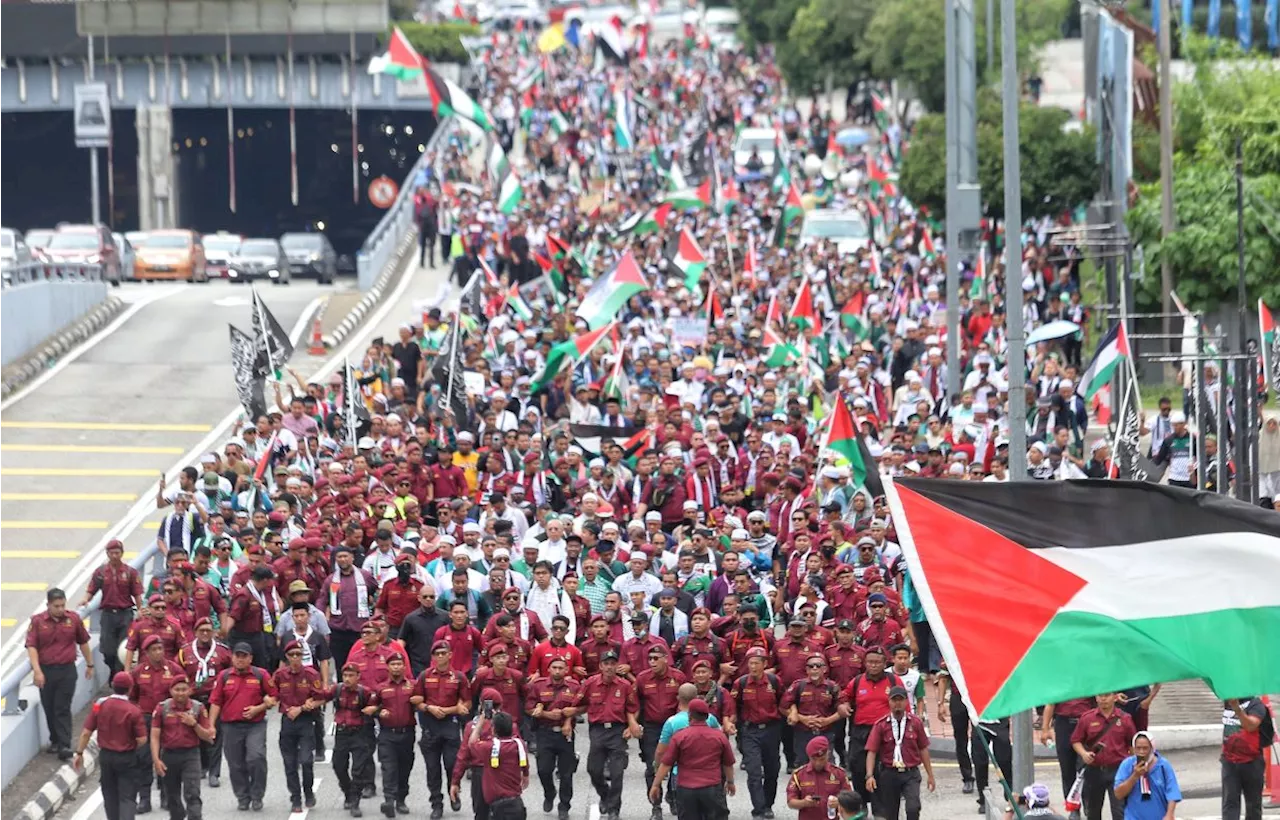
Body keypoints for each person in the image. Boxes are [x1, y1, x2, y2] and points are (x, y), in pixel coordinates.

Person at [209, 642, 278, 812]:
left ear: (250, 658)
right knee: (235, 764)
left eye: (244, 656)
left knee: (256, 757)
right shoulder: (224, 676)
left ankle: (257, 795)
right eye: (237, 656)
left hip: (255, 725)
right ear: (232, 657)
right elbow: (216, 702)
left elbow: (274, 697)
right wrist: (211, 726)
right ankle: (242, 796)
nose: (240, 659)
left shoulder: (260, 674)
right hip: (230, 726)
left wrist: (259, 708)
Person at [26, 587, 93, 761]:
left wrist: (90, 664)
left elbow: (83, 641)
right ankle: (55, 740)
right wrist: (37, 671)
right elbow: (32, 647)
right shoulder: (38, 622)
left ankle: (64, 744)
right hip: (46, 671)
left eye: (63, 605)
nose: (60, 609)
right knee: (49, 707)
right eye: (56, 606)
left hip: (66, 670)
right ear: (48, 605)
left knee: (62, 707)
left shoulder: (73, 619)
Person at [411, 639, 471, 819]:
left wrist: (450, 710)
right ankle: (436, 803)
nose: (441, 657)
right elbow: (416, 700)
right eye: (437, 654)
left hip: (450, 726)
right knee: (432, 769)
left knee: (452, 766)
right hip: (430, 726)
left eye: (444, 653)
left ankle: (454, 794)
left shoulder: (459, 677)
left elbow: (467, 702)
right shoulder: (424, 675)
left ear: (450, 655)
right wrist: (429, 708)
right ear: (433, 657)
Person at [649, 698, 735, 820]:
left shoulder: (680, 736)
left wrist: (655, 785)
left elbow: (666, 763)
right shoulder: (719, 736)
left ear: (690, 715)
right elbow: (728, 763)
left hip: (686, 790)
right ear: (707, 716)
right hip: (712, 788)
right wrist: (730, 782)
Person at [725, 646, 783, 820]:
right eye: (750, 663)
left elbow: (783, 702)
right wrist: (730, 722)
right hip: (750, 731)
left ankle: (768, 805)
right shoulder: (740, 683)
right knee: (754, 771)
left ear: (765, 664)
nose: (753, 667)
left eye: (757, 663)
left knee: (772, 770)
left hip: (771, 730)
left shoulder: (774, 681)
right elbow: (732, 705)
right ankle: (758, 808)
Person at [582, 649, 641, 820]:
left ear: (617, 665)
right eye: (606, 664)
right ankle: (605, 795)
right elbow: (579, 704)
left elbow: (633, 708)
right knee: (593, 770)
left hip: (617, 732)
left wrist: (631, 726)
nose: (609, 667)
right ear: (600, 666)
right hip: (597, 731)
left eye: (613, 663)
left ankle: (614, 809)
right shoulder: (590, 684)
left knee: (617, 773)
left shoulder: (625, 686)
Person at [864, 686, 935, 820]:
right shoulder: (881, 725)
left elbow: (923, 748)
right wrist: (869, 776)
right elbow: (872, 751)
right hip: (889, 773)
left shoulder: (915, 723)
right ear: (889, 702)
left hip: (910, 773)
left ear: (906, 702)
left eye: (901, 700)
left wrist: (930, 775)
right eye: (894, 700)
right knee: (891, 813)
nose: (897, 703)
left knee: (913, 808)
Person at [151, 675, 216, 820]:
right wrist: (156, 760)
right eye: (177, 690)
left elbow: (208, 737)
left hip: (190, 755)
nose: (181, 693)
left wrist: (194, 724)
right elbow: (155, 736)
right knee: (171, 796)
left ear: (190, 691)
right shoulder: (162, 708)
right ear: (171, 691)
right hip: (168, 755)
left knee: (192, 793)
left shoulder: (198, 708)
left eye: (184, 689)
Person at [273, 639, 327, 812]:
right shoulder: (280, 675)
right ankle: (295, 798)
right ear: (287, 657)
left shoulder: (311, 674)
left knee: (306, 760)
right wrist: (268, 701)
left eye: (298, 654)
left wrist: (304, 707)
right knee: (289, 763)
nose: (295, 658)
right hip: (287, 721)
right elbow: (272, 694)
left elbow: (321, 697)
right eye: (292, 655)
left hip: (305, 721)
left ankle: (308, 792)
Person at [525, 656, 580, 820]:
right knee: (543, 769)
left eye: (561, 668)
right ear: (548, 669)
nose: (557, 670)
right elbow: (528, 708)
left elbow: (581, 706)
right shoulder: (538, 685)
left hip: (565, 734)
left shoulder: (574, 686)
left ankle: (564, 805)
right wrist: (546, 713)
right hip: (545, 732)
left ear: (566, 670)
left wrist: (569, 719)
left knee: (566, 773)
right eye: (554, 667)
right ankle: (549, 793)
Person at [81, 539, 144, 678]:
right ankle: (113, 671)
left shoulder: (130, 572)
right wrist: (85, 599)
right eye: (112, 553)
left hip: (125, 615)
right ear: (107, 554)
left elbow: (138, 594)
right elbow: (91, 589)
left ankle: (118, 678)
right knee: (108, 651)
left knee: (123, 648)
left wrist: (141, 611)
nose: (115, 556)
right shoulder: (101, 572)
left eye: (117, 552)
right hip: (108, 615)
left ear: (122, 553)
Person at [451, 711, 530, 820]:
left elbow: (472, 743)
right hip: (516, 805)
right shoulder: (519, 744)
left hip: (498, 808)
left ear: (493, 729)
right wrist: (526, 774)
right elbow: (524, 763)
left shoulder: (489, 748)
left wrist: (481, 722)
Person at [1071, 692, 1137, 820]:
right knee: (1093, 812)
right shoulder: (1087, 718)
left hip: (1118, 771)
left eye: (1107, 695)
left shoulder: (1125, 718)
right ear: (1096, 698)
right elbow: (1075, 740)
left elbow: (1132, 745)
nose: (1103, 699)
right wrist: (1084, 754)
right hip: (1094, 770)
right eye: (1100, 696)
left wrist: (1132, 766)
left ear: (1114, 697)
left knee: (1119, 811)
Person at [328, 662, 379, 818]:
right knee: (338, 765)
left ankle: (355, 802)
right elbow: (320, 696)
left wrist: (375, 710)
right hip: (342, 733)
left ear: (358, 677)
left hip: (360, 733)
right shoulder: (337, 690)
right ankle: (348, 792)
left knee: (359, 769)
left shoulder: (365, 692)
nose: (348, 679)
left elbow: (378, 705)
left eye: (351, 676)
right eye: (345, 676)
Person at [372, 653, 417, 817]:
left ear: (404, 667)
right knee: (388, 768)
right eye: (393, 664)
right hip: (387, 734)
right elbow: (371, 708)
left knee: (405, 768)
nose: (396, 667)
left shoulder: (413, 686)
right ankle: (389, 800)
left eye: (399, 664)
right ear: (388, 667)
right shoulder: (380, 688)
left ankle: (401, 799)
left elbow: (422, 703)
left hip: (407, 734)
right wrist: (378, 712)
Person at [1221, 696, 1271, 820]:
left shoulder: (1256, 704)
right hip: (1229, 762)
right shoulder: (1228, 700)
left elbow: (1251, 726)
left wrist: (1237, 709)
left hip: (1252, 762)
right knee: (1230, 804)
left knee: (1253, 806)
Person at [1113, 732, 1180, 820]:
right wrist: (1135, 776)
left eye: (1145, 748)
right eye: (1138, 748)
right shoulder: (1127, 765)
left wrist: (1169, 814)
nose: (1142, 752)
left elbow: (1172, 792)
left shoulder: (1163, 766)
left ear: (1152, 748)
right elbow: (1118, 794)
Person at [785, 736, 851, 820]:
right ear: (809, 757)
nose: (818, 763)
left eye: (822, 759)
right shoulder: (799, 775)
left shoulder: (839, 774)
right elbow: (791, 802)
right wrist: (804, 803)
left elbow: (850, 800)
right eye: (814, 759)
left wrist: (839, 802)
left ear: (828, 754)